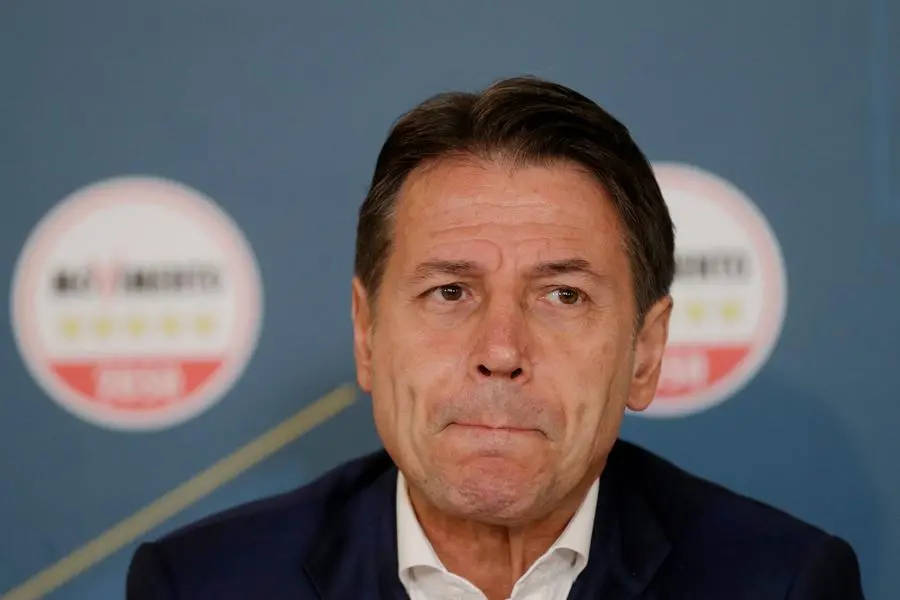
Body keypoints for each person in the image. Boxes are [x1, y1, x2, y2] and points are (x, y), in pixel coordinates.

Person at [126, 76, 864, 600]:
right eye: (450, 292)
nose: (502, 351)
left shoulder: (781, 583)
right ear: (367, 333)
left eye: (563, 295)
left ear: (645, 351)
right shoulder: (202, 584)